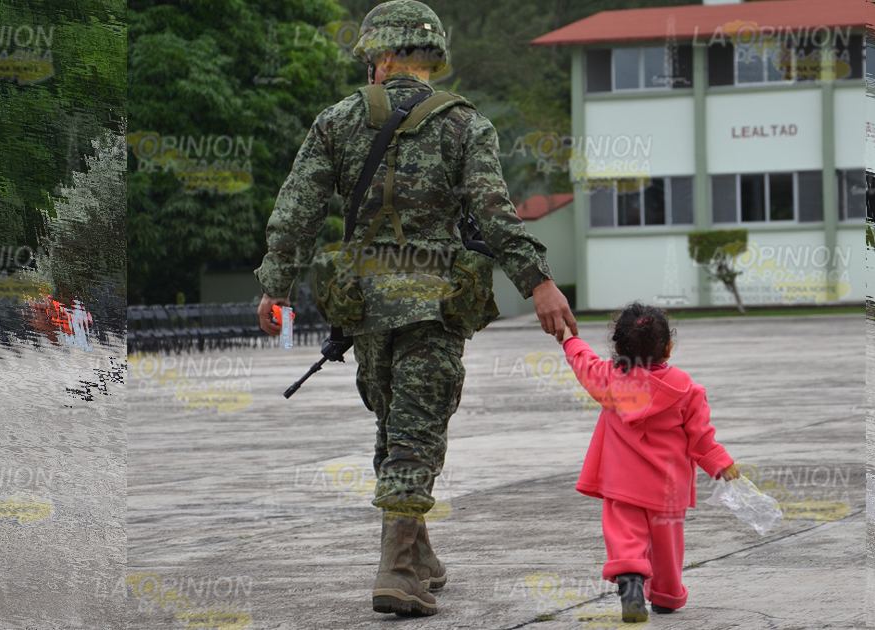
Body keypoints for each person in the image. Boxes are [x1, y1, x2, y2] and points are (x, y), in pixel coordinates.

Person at [253, 0, 577, 617]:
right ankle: (399, 571)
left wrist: (276, 286)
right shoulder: (465, 125)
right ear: (434, 59)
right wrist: (538, 282)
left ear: (378, 56)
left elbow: (295, 209)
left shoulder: (338, 120)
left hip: (366, 306)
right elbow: (494, 214)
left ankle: (417, 554)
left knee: (394, 428)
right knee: (414, 436)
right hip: (433, 304)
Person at [556, 302, 739, 622]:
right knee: (667, 546)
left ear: (618, 347)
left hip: (622, 483)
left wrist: (570, 339)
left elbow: (583, 363)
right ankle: (667, 596)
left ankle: (630, 584)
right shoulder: (687, 390)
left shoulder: (609, 380)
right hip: (668, 488)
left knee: (625, 537)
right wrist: (720, 462)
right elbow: (701, 438)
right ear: (668, 348)